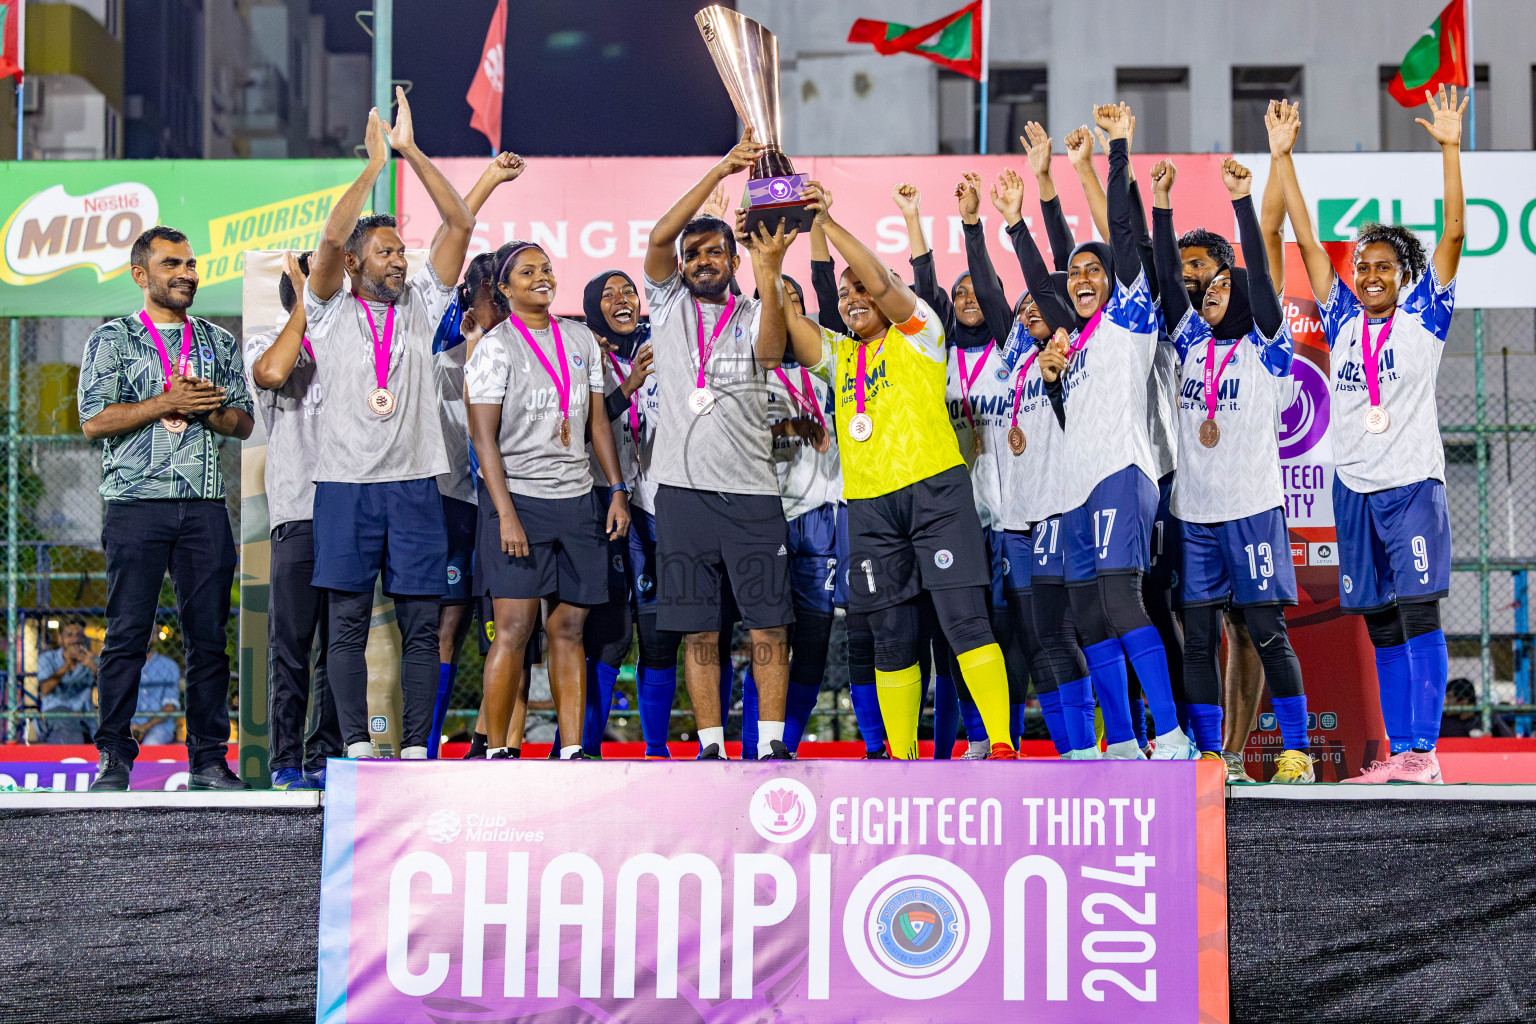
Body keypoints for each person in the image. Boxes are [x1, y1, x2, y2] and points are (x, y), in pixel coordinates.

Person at [773, 181, 1017, 762]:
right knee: (890, 636)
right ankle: (902, 757)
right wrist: (769, 259)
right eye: (847, 293)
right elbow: (789, 319)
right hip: (871, 505)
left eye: (862, 290)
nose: (855, 297)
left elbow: (881, 280)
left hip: (936, 492)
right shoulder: (839, 354)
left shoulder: (920, 331)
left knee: (963, 622)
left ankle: (1003, 744)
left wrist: (827, 222)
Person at [1275, 89, 1465, 784]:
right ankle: (1398, 754)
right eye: (1363, 266)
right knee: (1380, 623)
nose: (1370, 274)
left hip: (1411, 484)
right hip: (1350, 485)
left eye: (1383, 265)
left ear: (1405, 275)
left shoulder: (1426, 318)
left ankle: (1424, 753)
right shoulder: (1343, 321)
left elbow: (1453, 234)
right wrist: (1283, 159)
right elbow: (1300, 233)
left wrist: (1449, 147)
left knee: (1417, 614)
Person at [1000, 103, 1191, 760]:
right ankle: (1120, 743)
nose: (1081, 279)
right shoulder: (1069, 343)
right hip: (1073, 491)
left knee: (1119, 599)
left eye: (1093, 271)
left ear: (1115, 280)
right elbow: (1042, 279)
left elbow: (1121, 227)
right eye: (1073, 273)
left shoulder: (1131, 317)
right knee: (1086, 617)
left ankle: (1168, 734)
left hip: (1121, 475)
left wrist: (1112, 153)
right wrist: (1014, 223)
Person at [303, 91, 475, 760]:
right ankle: (353, 745)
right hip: (344, 486)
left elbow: (458, 221)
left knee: (421, 624)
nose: (400, 260)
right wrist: (374, 167)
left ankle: (411, 749)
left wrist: (410, 153)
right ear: (354, 265)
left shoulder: (422, 304)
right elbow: (325, 239)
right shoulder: (327, 310)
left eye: (401, 250)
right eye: (384, 252)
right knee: (344, 625)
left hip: (412, 486)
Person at [1150, 154, 1312, 783]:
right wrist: (1161, 206)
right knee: (1198, 640)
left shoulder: (1269, 351)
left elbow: (1264, 283)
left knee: (1267, 631)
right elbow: (1167, 277)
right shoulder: (1190, 343)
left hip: (1251, 512)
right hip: (1195, 515)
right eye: (1206, 292)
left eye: (1221, 288)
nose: (1209, 296)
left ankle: (1294, 751)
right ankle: (1212, 754)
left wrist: (1243, 203)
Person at [78, 224, 255, 791]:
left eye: (191, 265)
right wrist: (165, 403)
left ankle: (207, 760)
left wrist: (207, 411)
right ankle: (115, 759)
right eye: (172, 264)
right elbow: (94, 421)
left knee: (208, 638)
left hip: (204, 505)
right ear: (140, 275)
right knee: (128, 634)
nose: (186, 274)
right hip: (134, 504)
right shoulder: (112, 339)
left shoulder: (217, 341)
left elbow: (244, 423)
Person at [641, 129, 796, 761]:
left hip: (753, 491)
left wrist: (768, 269)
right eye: (694, 254)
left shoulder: (758, 306)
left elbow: (770, 353)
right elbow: (656, 237)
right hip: (680, 496)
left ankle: (772, 745)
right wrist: (720, 169)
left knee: (767, 626)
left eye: (716, 254)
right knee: (696, 627)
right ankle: (710, 746)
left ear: (733, 262)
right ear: (682, 265)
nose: (704, 262)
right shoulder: (666, 301)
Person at [467, 240, 631, 759]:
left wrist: (617, 490)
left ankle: (573, 750)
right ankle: (496, 751)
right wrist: (507, 517)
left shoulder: (580, 338)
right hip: (518, 500)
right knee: (513, 629)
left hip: (578, 499)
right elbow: (483, 439)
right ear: (505, 287)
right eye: (528, 271)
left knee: (569, 629)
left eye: (547, 269)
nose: (542, 277)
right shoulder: (496, 347)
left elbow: (598, 421)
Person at [427, 152, 528, 757]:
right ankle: (432, 742)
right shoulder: (445, 346)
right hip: (453, 503)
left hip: (514, 502)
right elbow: (451, 235)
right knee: (446, 626)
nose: (502, 307)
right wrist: (487, 181)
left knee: (509, 628)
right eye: (492, 295)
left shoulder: (531, 350)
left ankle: (498, 743)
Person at [246, 251, 344, 789]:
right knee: (292, 646)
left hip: (350, 514)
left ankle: (326, 755)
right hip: (298, 513)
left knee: (340, 646)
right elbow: (274, 374)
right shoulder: (266, 341)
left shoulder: (354, 342)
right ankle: (286, 759)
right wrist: (308, 301)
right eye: (313, 280)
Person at [34, 621, 97, 745]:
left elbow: (110, 690)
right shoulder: (47, 659)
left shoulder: (91, 659)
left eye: (79, 635)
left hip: (85, 716)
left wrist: (94, 667)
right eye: (69, 635)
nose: (74, 640)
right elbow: (45, 689)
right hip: (56, 714)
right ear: (60, 639)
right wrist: (67, 664)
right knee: (72, 735)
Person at [134, 645, 183, 746]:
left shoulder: (168, 666)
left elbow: (170, 706)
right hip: (128, 724)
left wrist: (144, 727)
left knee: (152, 743)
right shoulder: (122, 665)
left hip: (159, 726)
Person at [1440, 678, 1514, 738]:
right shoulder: (1443, 721)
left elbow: (1508, 740)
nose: (1445, 703)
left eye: (1449, 697)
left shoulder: (1486, 718)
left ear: (1463, 701)